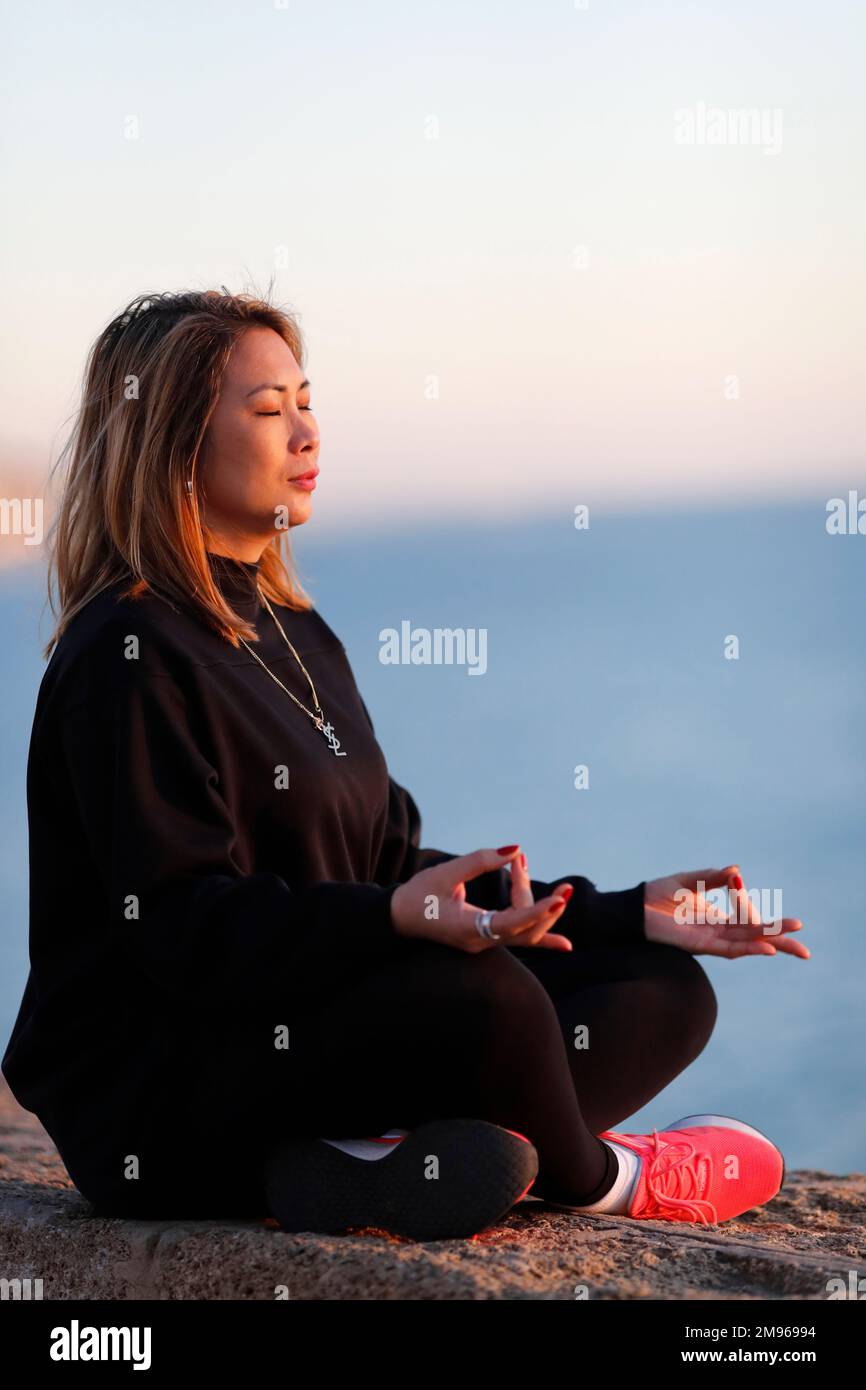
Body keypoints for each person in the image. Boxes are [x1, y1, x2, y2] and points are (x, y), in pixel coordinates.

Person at [1, 289, 810, 1241]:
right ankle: (604, 1178)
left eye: (307, 401)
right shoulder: (125, 653)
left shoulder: (298, 634)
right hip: (167, 1090)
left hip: (309, 1044)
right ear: (173, 447)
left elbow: (393, 868)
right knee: (487, 1003)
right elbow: (179, 930)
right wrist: (391, 919)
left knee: (655, 987)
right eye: (268, 411)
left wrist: (616, 910)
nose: (306, 432)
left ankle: (369, 1161)